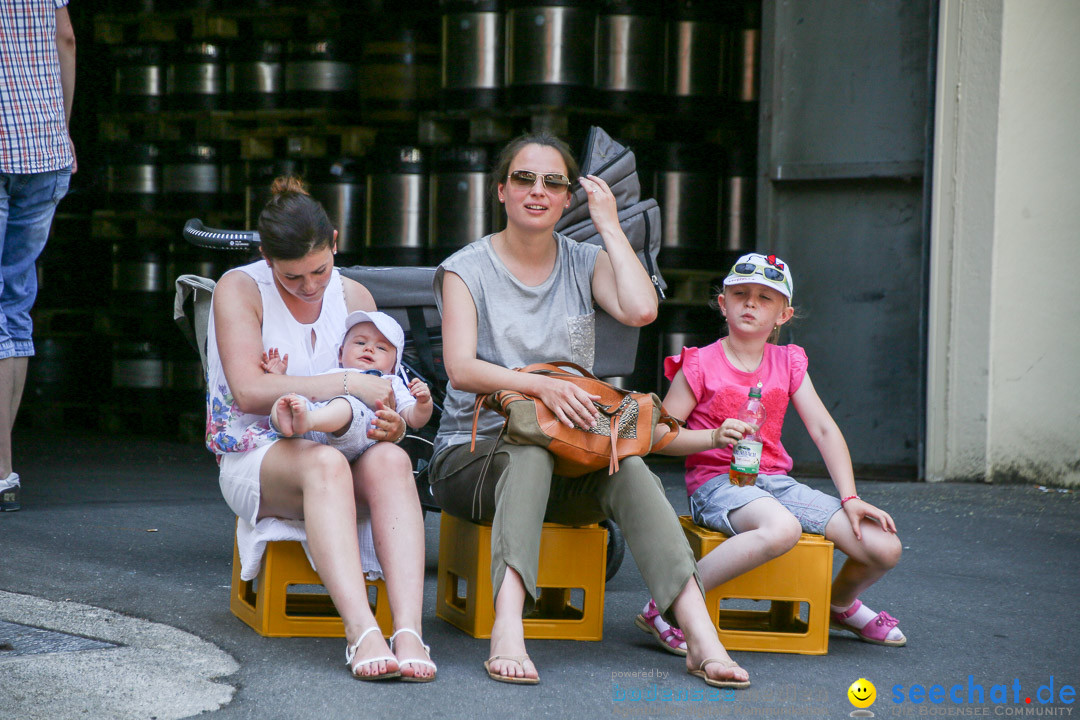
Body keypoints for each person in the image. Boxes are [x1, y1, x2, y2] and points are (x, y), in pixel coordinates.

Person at [430, 130, 750, 688]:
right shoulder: (466, 269)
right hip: (472, 458)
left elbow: (642, 308)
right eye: (524, 179)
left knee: (629, 466)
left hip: (574, 456)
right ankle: (508, 626)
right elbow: (460, 368)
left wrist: (608, 224)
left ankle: (699, 634)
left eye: (554, 183)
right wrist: (542, 388)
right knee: (529, 456)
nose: (538, 191)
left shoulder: (584, 261)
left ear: (567, 197)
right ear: (501, 190)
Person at [206, 176, 436, 681]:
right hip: (260, 455)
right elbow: (247, 391)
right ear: (266, 256)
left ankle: (409, 630)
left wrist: (393, 423)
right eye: (293, 277)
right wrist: (347, 380)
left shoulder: (354, 292)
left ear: (335, 241)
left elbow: (382, 383)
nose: (310, 286)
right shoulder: (239, 288)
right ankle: (361, 631)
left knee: (394, 459)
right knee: (326, 463)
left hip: (342, 444)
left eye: (319, 270)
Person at [636, 252, 905, 654]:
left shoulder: (789, 361)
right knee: (783, 528)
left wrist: (851, 498)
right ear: (723, 303)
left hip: (777, 484)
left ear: (783, 314)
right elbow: (657, 436)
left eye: (765, 298)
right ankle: (667, 603)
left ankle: (838, 605)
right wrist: (711, 437)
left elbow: (823, 429)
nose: (750, 303)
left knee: (884, 547)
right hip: (718, 485)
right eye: (740, 294)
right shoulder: (700, 364)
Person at [0, 0, 77, 512]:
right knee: (12, 306)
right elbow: (65, 38)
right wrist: (59, 129)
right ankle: (3, 471)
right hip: (42, 149)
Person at [264, 310, 433, 456]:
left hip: (358, 435)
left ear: (393, 366)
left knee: (346, 404)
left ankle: (307, 420)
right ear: (340, 354)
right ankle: (287, 424)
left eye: (381, 348)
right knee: (285, 401)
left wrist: (423, 403)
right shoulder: (332, 374)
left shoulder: (390, 381)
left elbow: (413, 419)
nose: (369, 349)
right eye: (360, 342)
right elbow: (309, 391)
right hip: (315, 433)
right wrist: (281, 376)